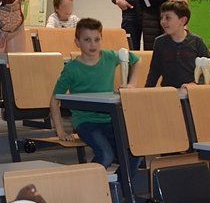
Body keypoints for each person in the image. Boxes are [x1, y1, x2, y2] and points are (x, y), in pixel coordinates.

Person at [50, 18, 141, 171]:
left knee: (134, 154)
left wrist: (132, 84)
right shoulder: (71, 69)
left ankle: (119, 185)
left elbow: (136, 60)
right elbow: (54, 100)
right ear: (77, 42)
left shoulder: (110, 57)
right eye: (87, 40)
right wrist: (60, 130)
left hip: (111, 120)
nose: (93, 44)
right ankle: (87, 179)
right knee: (106, 155)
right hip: (86, 123)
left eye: (97, 39)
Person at [145, 0, 210, 88]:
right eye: (161, 18)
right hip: (169, 91)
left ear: (182, 20)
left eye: (168, 18)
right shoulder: (160, 42)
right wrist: (147, 91)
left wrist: (196, 84)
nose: (163, 21)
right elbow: (154, 70)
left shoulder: (196, 41)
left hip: (190, 91)